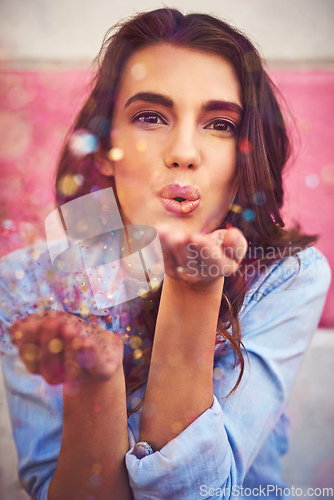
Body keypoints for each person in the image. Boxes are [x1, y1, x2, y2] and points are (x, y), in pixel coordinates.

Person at [0, 8, 331, 500]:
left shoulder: (285, 275)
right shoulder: (26, 282)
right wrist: (96, 383)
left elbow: (206, 495)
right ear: (105, 145)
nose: (184, 151)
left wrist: (194, 293)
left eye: (219, 124)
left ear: (246, 154)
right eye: (150, 117)